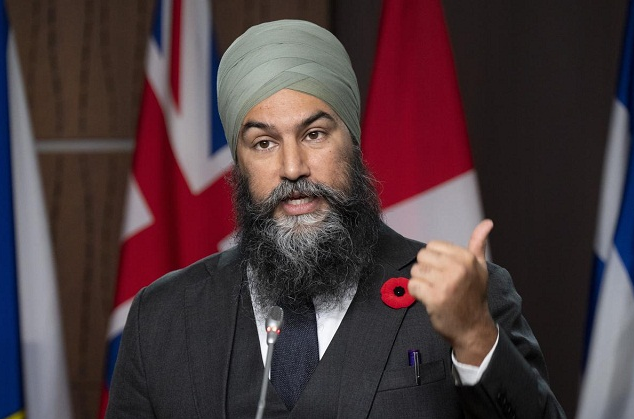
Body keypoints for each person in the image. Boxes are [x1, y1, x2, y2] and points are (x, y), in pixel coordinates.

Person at [106, 19, 565, 418]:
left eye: (314, 134)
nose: (292, 168)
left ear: (354, 141)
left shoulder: (465, 294)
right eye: (264, 143)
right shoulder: (163, 317)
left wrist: (475, 336)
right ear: (239, 163)